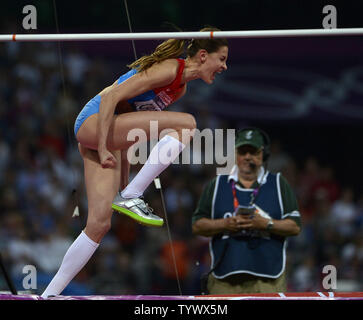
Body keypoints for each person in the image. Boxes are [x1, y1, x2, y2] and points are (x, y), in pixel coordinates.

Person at [41, 27, 228, 298]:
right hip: (93, 125)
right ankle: (132, 194)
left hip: (108, 134)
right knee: (186, 124)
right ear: (202, 56)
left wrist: (124, 167)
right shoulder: (169, 69)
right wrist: (105, 146)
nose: (224, 66)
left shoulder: (179, 90)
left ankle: (49, 294)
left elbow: (132, 121)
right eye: (221, 58)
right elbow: (110, 97)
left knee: (99, 224)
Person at [192, 128, 301, 294]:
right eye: (243, 151)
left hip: (268, 281)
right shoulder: (216, 184)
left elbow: (295, 226)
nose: (248, 157)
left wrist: (265, 224)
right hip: (224, 281)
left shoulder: (278, 183)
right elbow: (197, 225)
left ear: (263, 154)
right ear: (235, 154)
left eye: (253, 151)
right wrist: (226, 223)